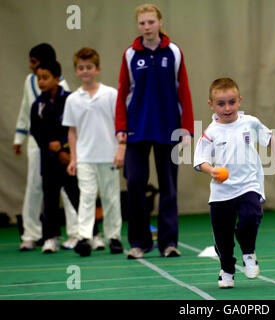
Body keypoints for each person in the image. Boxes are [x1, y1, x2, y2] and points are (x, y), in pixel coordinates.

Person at [115, 4, 194, 259]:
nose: (146, 27)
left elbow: (184, 92)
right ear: (138, 25)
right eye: (142, 23)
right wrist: (121, 128)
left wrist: (187, 129)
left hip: (169, 129)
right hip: (137, 129)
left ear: (160, 22)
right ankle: (139, 242)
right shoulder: (129, 55)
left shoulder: (174, 53)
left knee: (169, 187)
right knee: (135, 183)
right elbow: (123, 93)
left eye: (151, 22)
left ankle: (169, 243)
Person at [193, 78, 275, 288]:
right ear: (211, 105)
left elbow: (269, 138)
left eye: (232, 102)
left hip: (248, 185)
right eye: (221, 103)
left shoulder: (250, 122)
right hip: (221, 193)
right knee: (223, 238)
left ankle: (249, 252)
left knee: (251, 217)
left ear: (239, 101)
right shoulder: (210, 132)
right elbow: (200, 160)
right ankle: (226, 270)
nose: (227, 108)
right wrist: (211, 169)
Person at [13, 43, 79, 251]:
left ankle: (75, 232)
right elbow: (26, 109)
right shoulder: (28, 81)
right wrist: (19, 136)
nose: (31, 67)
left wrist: (64, 148)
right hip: (38, 143)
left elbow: (69, 121)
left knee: (69, 190)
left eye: (34, 62)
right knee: (35, 186)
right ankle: (31, 233)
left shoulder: (64, 87)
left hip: (62, 146)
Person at [63, 47, 123, 257]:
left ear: (97, 69)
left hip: (109, 155)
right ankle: (84, 238)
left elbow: (120, 125)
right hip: (85, 157)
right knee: (86, 197)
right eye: (81, 68)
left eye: (89, 67)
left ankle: (114, 237)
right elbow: (72, 131)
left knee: (111, 197)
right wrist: (73, 158)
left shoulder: (111, 94)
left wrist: (120, 150)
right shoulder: (72, 99)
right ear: (76, 71)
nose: (85, 71)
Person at [29, 60, 80, 253]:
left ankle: (90, 234)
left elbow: (74, 127)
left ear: (57, 78)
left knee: (76, 196)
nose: (41, 82)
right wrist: (53, 148)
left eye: (45, 78)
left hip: (68, 159)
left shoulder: (70, 100)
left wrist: (64, 147)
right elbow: (36, 131)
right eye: (38, 79)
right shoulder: (37, 105)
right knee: (50, 200)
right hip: (49, 161)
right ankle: (50, 237)